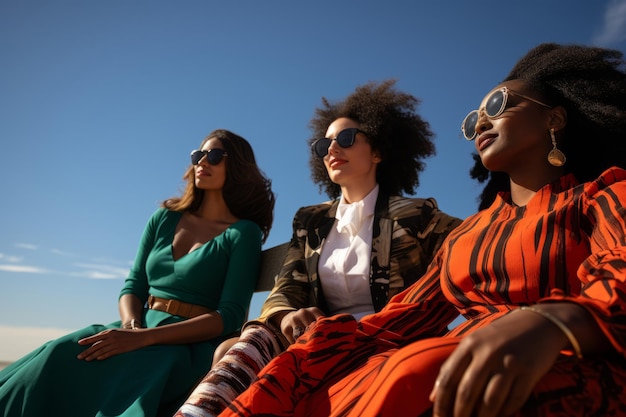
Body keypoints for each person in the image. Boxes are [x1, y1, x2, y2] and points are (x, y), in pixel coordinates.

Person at [217, 43, 626, 417]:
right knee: (307, 371)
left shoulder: (601, 195)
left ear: (553, 117)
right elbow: (408, 314)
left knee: (415, 372)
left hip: (571, 355)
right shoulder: (470, 235)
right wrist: (317, 342)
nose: (481, 121)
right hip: (451, 354)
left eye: (498, 104)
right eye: (472, 120)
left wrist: (556, 322)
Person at [175, 80, 462, 417]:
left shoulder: (416, 214)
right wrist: (286, 317)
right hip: (319, 340)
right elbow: (289, 285)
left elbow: (473, 244)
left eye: (345, 139)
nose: (331, 149)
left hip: (389, 338)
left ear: (379, 151)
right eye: (323, 144)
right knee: (250, 341)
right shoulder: (310, 220)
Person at [0, 129, 275, 417]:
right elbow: (133, 285)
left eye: (215, 155)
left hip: (184, 346)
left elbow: (229, 315)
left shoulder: (243, 233)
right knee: (57, 354)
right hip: (135, 326)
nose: (203, 161)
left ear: (238, 167)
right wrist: (131, 326)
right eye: (198, 155)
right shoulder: (164, 217)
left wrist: (144, 339)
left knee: (132, 382)